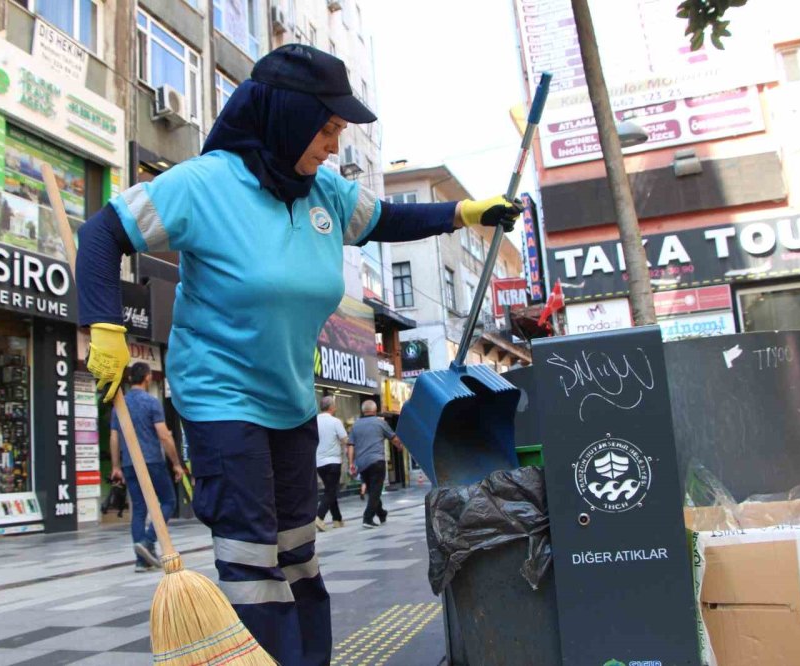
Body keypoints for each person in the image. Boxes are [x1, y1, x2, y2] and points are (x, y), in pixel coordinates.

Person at [76, 43, 521, 666]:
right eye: (329, 127)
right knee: (252, 557)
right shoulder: (204, 185)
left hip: (289, 400)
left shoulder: (324, 194)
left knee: (299, 553)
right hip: (220, 395)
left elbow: (387, 218)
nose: (335, 144)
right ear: (286, 115)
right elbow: (102, 233)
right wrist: (104, 326)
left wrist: (462, 213)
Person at [108, 362, 184, 572]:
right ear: (148, 378)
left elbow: (114, 437)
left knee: (139, 509)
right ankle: (148, 541)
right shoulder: (151, 402)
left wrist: (116, 466)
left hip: (129, 463)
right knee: (169, 500)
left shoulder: (119, 405)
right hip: (151, 461)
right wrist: (176, 463)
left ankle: (141, 561)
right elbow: (164, 435)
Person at [347, 401, 402, 529]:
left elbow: (350, 446)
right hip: (377, 461)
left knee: (372, 491)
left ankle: (382, 513)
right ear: (375, 410)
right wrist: (399, 446)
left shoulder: (356, 425)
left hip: (362, 464)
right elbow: (394, 438)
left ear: (363, 411)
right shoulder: (380, 422)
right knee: (375, 491)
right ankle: (367, 518)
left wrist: (351, 463)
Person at [315, 396, 348, 531]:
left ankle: (337, 519)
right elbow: (345, 439)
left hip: (319, 462)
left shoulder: (314, 421)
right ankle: (319, 517)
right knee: (331, 490)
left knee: (330, 489)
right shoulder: (335, 421)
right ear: (331, 407)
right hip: (333, 461)